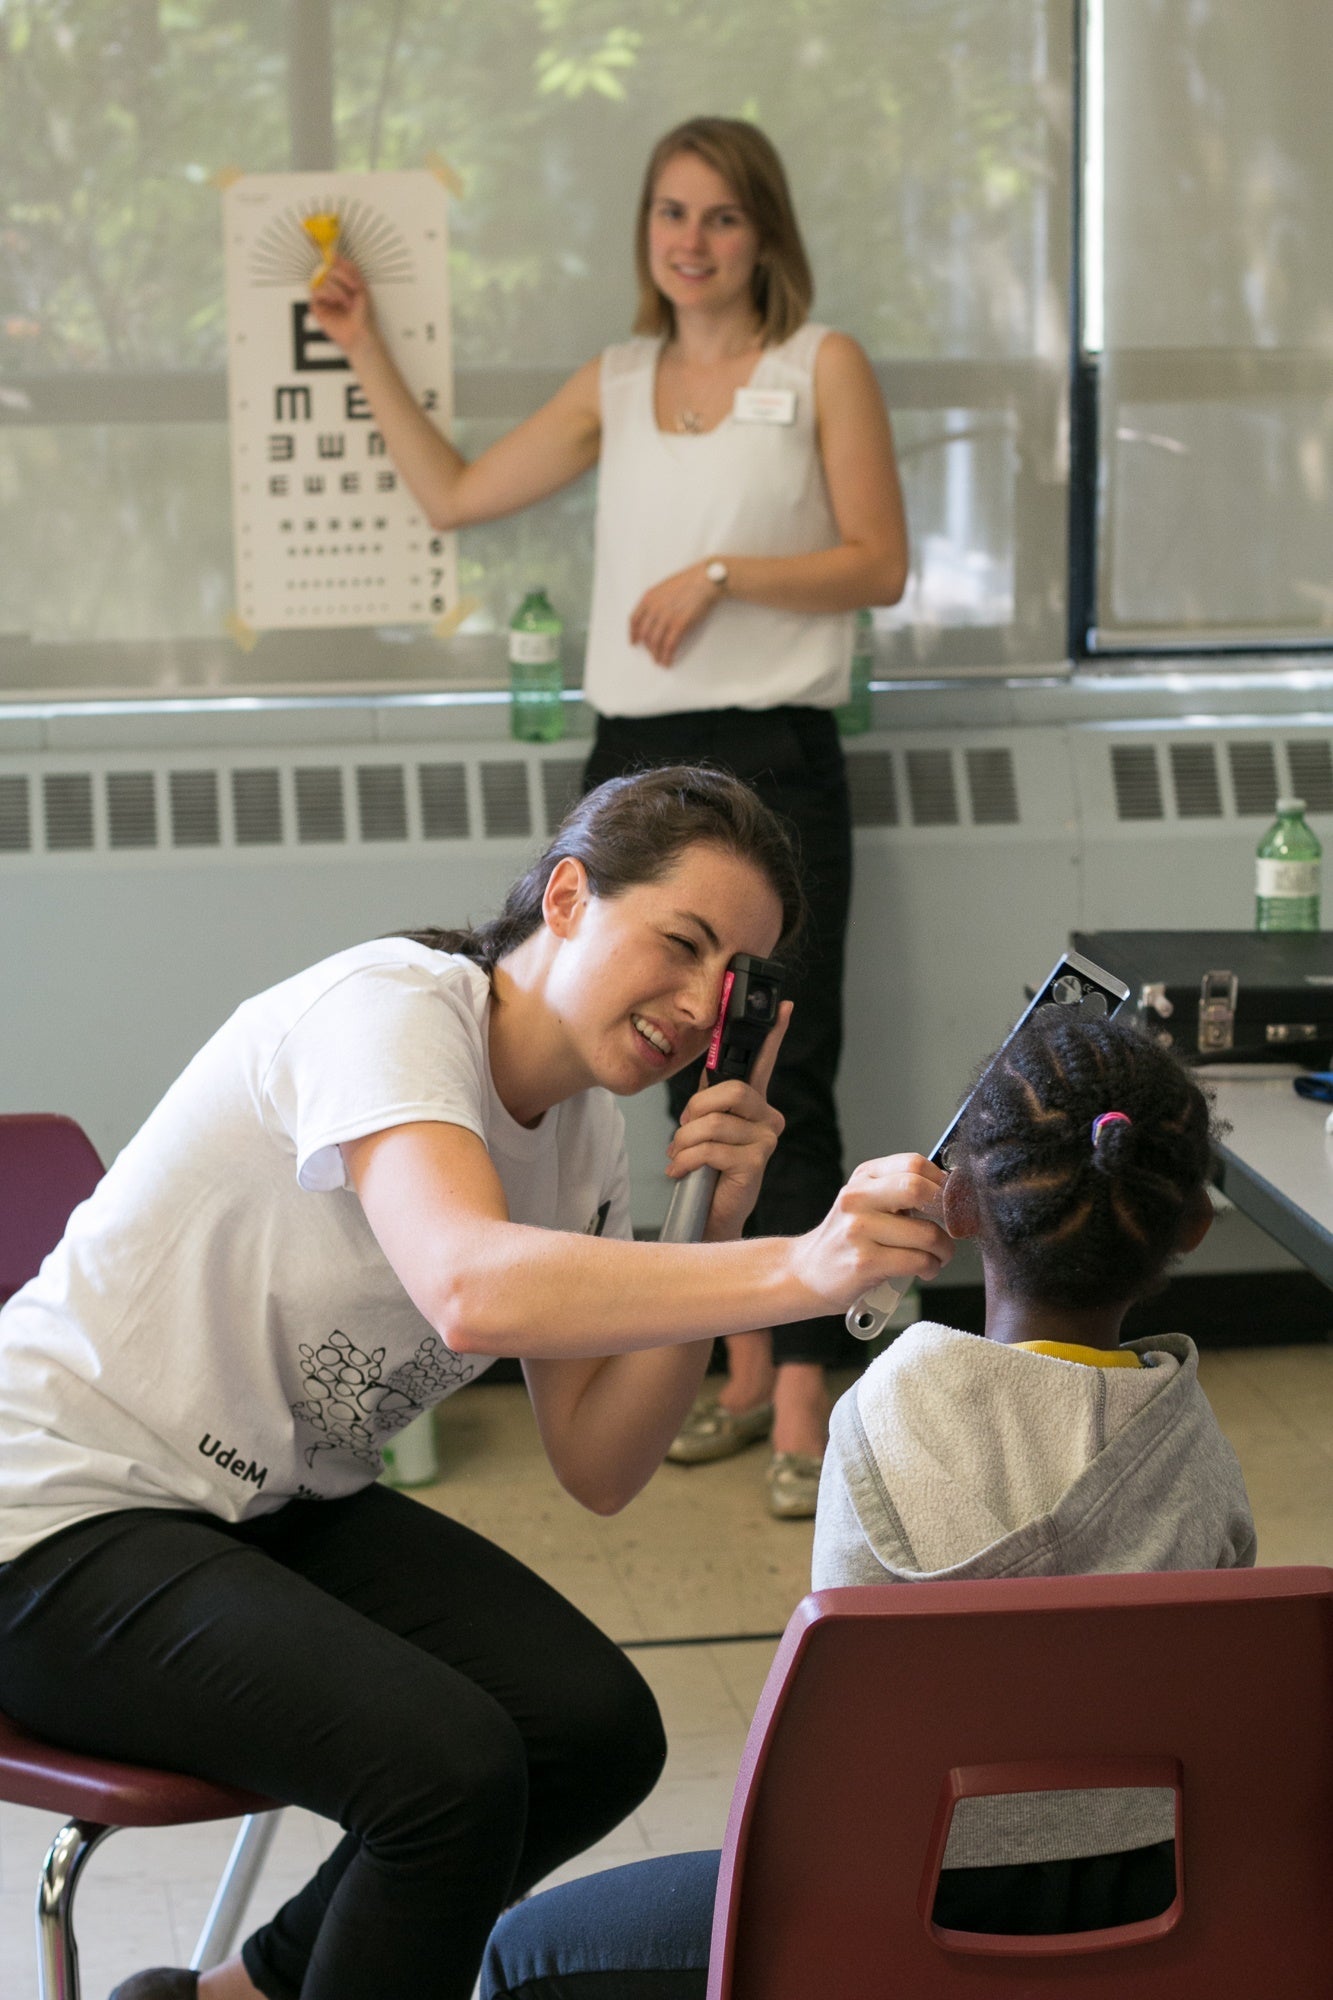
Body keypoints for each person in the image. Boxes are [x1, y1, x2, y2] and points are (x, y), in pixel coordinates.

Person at [0, 766, 951, 2000]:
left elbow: (600, 1463)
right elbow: (469, 1286)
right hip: (56, 1509)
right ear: (566, 895)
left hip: (258, 1509)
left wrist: (709, 1218)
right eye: (677, 941)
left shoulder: (585, 1135)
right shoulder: (390, 1009)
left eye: (729, 984)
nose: (691, 1004)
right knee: (445, 1773)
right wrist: (800, 1264)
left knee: (593, 1731)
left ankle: (228, 1997)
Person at [309, 114, 910, 1519]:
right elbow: (455, 491)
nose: (691, 242)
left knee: (775, 1068)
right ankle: (731, 1365)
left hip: (774, 747)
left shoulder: (819, 366)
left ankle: (800, 1403)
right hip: (636, 760)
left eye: (719, 217)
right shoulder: (620, 377)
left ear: (764, 234)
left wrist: (720, 571)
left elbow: (877, 560)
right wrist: (358, 346)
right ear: (646, 233)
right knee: (649, 1061)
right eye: (670, 215)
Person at [477, 1010, 1256, 1999]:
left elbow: (831, 1784)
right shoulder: (1200, 1454)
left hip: (890, 1919)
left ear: (957, 1201)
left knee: (523, 1955)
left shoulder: (885, 1416)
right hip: (1147, 1914)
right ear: (1191, 1223)